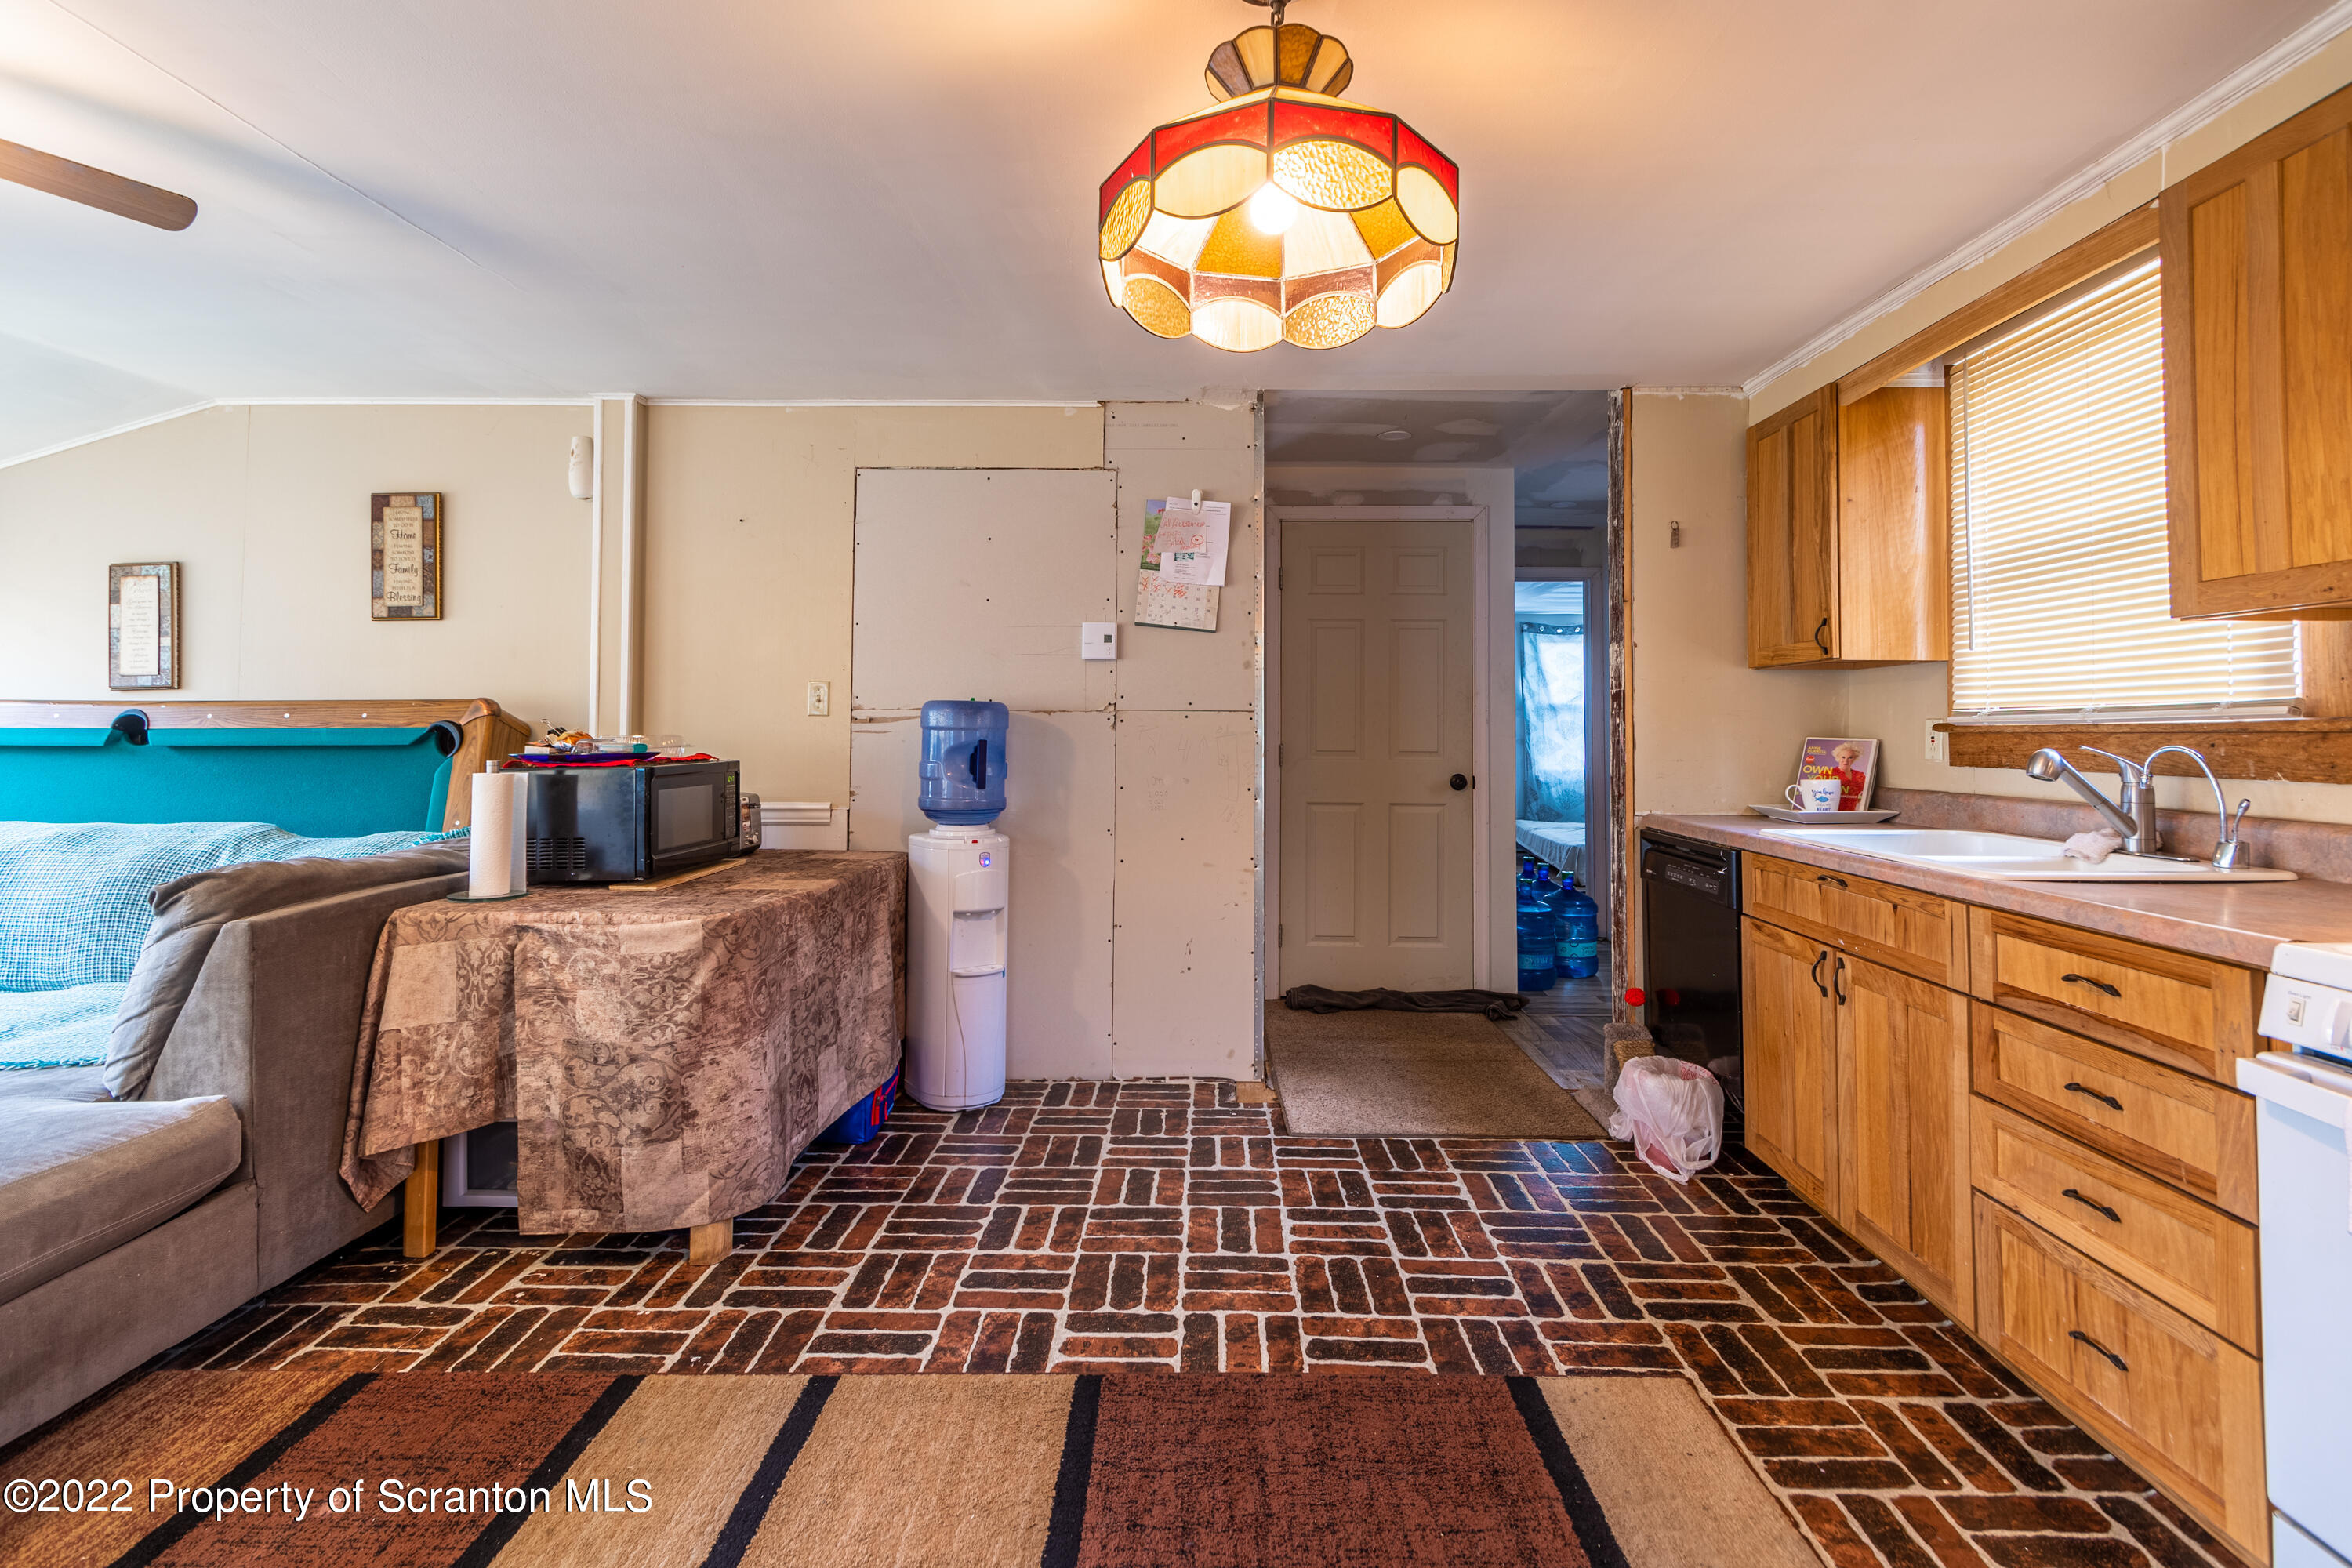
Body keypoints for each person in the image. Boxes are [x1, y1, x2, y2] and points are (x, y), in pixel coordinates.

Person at [1828, 741, 1867, 810]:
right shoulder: (1827, 773)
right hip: (1831, 813)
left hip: (1852, 814)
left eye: (1850, 758)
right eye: (1843, 757)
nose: (1846, 761)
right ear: (1838, 757)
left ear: (1855, 759)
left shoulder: (1860, 776)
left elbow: (1863, 796)